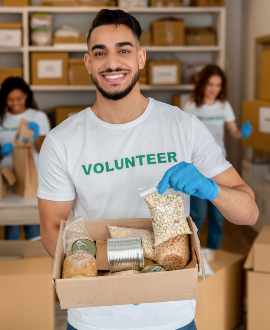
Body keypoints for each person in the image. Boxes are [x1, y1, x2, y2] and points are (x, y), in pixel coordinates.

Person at [38, 9, 258, 330]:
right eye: (100, 53)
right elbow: (52, 229)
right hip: (96, 317)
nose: (112, 63)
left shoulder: (184, 127)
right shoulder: (61, 141)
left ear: (141, 57)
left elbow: (249, 213)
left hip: (171, 314)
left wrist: (211, 189)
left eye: (123, 50)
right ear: (88, 63)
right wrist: (112, 276)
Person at [184, 64, 253, 250]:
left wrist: (243, 134)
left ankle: (213, 253)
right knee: (197, 215)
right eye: (210, 84)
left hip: (219, 167)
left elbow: (234, 132)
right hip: (197, 167)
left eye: (218, 85)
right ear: (202, 85)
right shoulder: (191, 105)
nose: (214, 89)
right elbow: (184, 137)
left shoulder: (224, 106)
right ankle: (194, 254)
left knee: (217, 215)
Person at [0, 77, 50, 240]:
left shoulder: (38, 117)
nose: (16, 103)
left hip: (33, 180)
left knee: (34, 226)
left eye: (19, 98)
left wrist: (37, 137)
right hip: (8, 180)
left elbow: (45, 151)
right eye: (11, 99)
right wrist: (2, 152)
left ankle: (33, 262)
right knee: (12, 227)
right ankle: (14, 263)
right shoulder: (2, 118)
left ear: (26, 96)